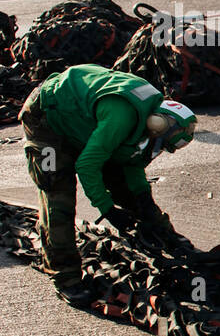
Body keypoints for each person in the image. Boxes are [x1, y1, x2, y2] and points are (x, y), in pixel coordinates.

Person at [19, 64, 196, 306]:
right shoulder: (122, 117)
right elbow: (87, 166)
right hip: (47, 119)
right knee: (58, 194)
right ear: (158, 125)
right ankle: (65, 278)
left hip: (84, 122)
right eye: (161, 143)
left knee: (129, 190)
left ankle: (166, 236)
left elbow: (132, 162)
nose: (158, 149)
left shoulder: (148, 117)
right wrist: (108, 210)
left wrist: (143, 199)